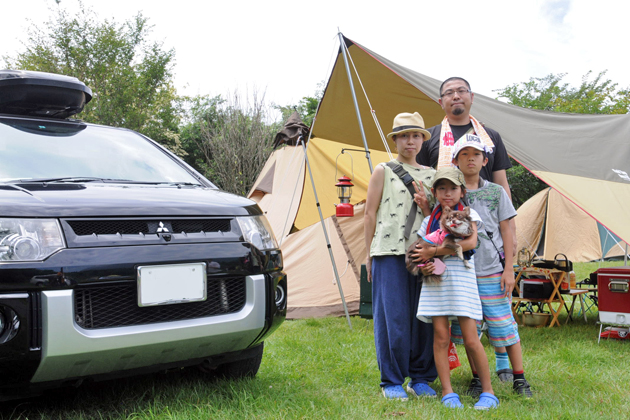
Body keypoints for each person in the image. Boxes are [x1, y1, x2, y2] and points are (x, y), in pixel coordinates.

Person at [417, 76, 515, 381]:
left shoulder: (491, 136)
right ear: (441, 101)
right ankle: (470, 371)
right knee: (461, 311)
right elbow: (426, 183)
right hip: (447, 236)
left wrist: (511, 244)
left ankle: (502, 363)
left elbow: (501, 182)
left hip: (485, 242)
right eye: (449, 93)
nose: (455, 96)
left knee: (495, 306)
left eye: (461, 91)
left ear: (471, 96)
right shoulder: (431, 137)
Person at [450, 134, 533, 398]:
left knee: (503, 324)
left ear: (485, 160)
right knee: (468, 329)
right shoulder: (452, 194)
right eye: (464, 154)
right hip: (462, 273)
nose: (470, 159)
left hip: (492, 271)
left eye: (475, 154)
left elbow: (507, 230)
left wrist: (509, 269)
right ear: (456, 161)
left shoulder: (496, 192)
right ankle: (477, 377)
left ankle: (519, 377)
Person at [364, 112, 437, 400]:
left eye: (416, 135)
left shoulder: (432, 175)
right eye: (404, 135)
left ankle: (421, 377)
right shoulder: (383, 169)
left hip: (423, 251)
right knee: (391, 316)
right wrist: (367, 253)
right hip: (388, 251)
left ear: (422, 140)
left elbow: (438, 219)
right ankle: (391, 380)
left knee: (425, 317)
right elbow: (369, 214)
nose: (410, 141)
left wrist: (427, 205)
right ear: (395, 139)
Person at [415, 167, 499, 410]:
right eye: (441, 188)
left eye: (453, 188)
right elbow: (421, 252)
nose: (447, 193)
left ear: (462, 190)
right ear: (435, 192)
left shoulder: (468, 214)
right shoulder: (429, 220)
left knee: (472, 339)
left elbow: (471, 241)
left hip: (461, 281)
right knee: (441, 336)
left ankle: (488, 392)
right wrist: (424, 266)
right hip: (436, 283)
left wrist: (436, 251)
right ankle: (447, 391)